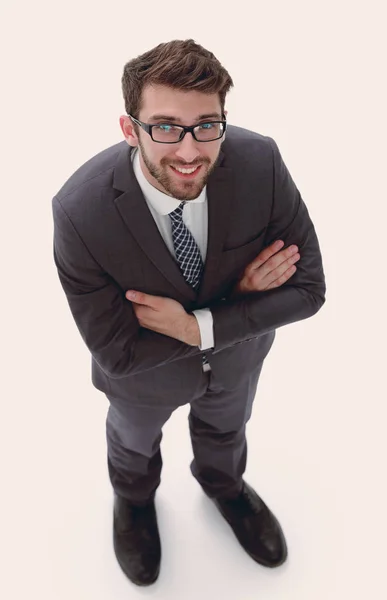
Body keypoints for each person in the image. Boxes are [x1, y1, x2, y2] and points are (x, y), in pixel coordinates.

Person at [52, 38, 326, 587]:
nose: (189, 149)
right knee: (132, 443)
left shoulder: (261, 162)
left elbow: (310, 289)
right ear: (130, 130)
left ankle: (224, 487)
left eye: (207, 125)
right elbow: (116, 351)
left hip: (237, 365)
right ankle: (133, 501)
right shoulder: (80, 211)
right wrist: (236, 304)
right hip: (142, 382)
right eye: (165, 127)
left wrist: (198, 325)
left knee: (228, 432)